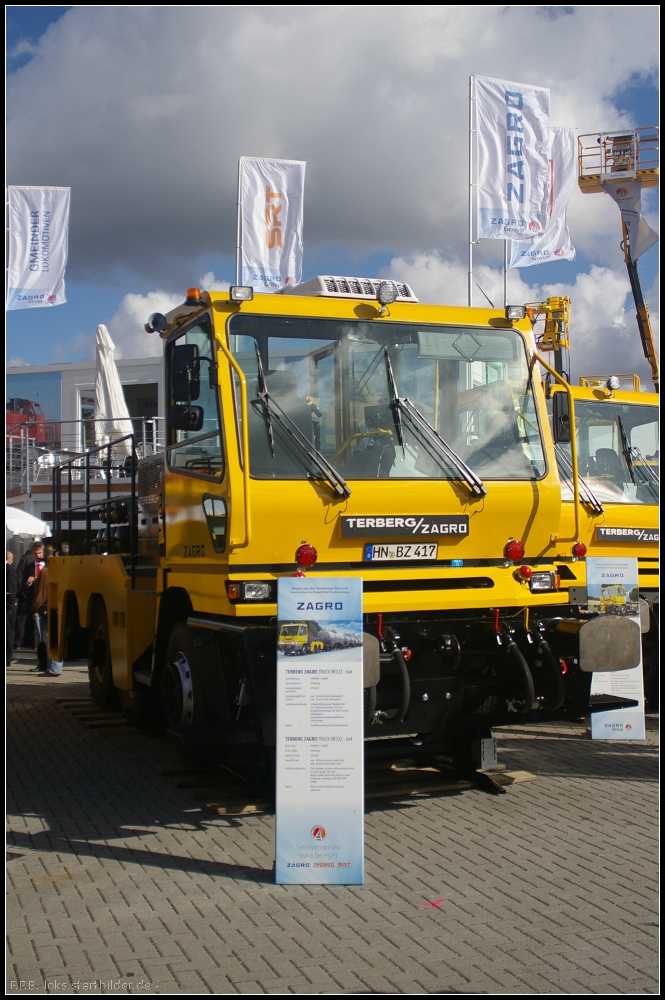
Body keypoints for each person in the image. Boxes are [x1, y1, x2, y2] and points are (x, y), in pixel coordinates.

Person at [31, 563, 63, 676]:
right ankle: (54, 668)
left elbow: (40, 593)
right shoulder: (62, 571)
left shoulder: (45, 572)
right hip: (58, 609)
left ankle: (53, 669)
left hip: (46, 610)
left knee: (49, 639)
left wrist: (34, 607)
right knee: (56, 639)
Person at [14, 540, 44, 650]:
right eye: (35, 553)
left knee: (36, 621)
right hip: (27, 595)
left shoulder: (46, 563)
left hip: (40, 596)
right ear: (32, 553)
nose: (38, 556)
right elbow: (19, 577)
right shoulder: (27, 563)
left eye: (40, 553)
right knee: (22, 619)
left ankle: (35, 643)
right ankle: (18, 642)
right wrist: (26, 585)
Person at [6, 551, 18, 667]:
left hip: (7, 606)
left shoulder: (9, 570)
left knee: (7, 631)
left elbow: (12, 588)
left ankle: (7, 658)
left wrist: (11, 602)